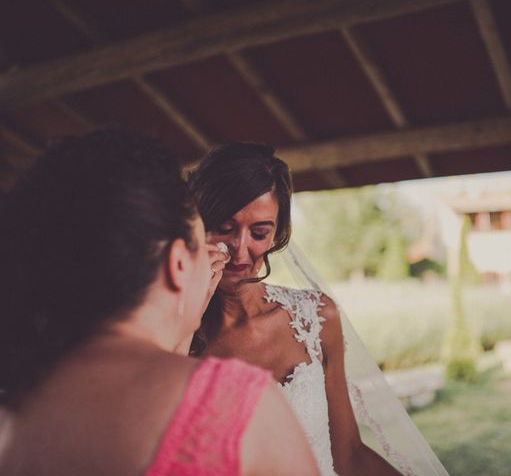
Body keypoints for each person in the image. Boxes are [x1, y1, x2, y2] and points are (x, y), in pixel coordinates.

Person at [0, 130, 319, 476]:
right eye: (207, 240)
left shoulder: (16, 410)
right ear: (179, 263)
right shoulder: (237, 406)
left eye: (258, 232)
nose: (235, 252)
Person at [188, 142, 448, 476]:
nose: (240, 250)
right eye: (225, 228)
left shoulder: (316, 319)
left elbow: (349, 454)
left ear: (277, 234)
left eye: (259, 232)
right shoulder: (175, 334)